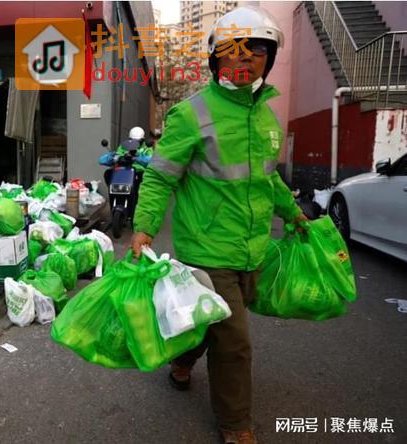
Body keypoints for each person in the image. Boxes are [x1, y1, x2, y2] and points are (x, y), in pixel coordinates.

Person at [131, 7, 307, 444]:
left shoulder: (266, 117)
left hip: (252, 248)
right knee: (235, 344)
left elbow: (268, 180)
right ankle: (236, 426)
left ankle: (183, 359)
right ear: (216, 58)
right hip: (206, 249)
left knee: (207, 324)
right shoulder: (192, 114)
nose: (245, 60)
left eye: (257, 52)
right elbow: (159, 175)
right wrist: (144, 226)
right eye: (235, 52)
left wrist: (294, 213)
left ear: (267, 58)